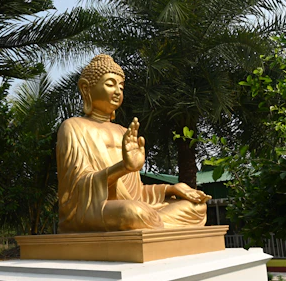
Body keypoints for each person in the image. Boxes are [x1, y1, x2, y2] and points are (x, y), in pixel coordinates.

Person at [57, 54, 209, 233]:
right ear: (85, 88)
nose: (118, 91)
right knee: (132, 212)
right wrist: (124, 167)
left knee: (196, 207)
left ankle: (152, 222)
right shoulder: (73, 127)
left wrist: (171, 188)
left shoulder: (123, 131)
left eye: (121, 87)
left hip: (134, 207)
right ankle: (152, 222)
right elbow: (77, 189)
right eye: (110, 84)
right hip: (94, 209)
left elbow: (138, 193)